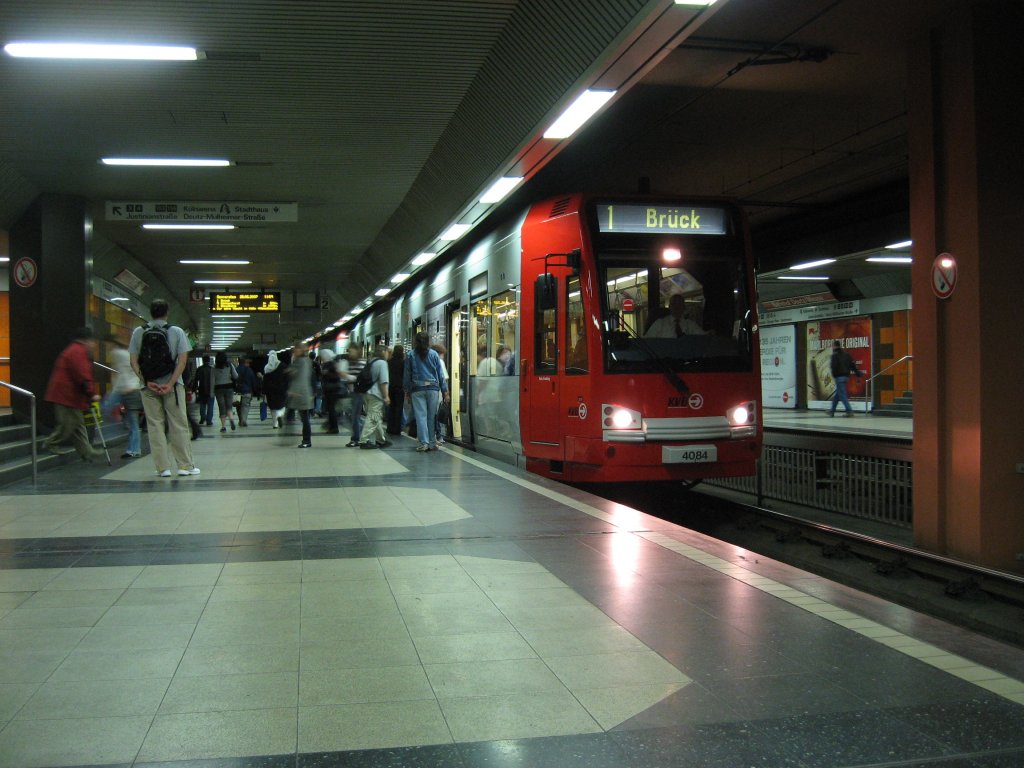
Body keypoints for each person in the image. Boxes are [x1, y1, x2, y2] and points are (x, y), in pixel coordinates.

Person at [129, 299, 200, 477]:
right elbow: (182, 361)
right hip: (173, 387)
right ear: (167, 313)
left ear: (150, 313)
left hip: (148, 387)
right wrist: (170, 383)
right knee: (178, 425)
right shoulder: (176, 331)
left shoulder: (139, 332)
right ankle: (185, 466)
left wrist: (146, 381)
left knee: (155, 426)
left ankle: (163, 468)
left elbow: (133, 361)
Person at [42, 326, 104, 461]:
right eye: (93, 341)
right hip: (66, 396)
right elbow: (82, 374)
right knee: (68, 425)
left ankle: (86, 452)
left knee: (77, 425)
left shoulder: (75, 350)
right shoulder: (78, 351)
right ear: (87, 340)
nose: (94, 344)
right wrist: (92, 393)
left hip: (69, 396)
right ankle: (50, 443)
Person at [404, 332, 449, 452]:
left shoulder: (410, 355)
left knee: (421, 417)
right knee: (431, 417)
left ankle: (423, 443)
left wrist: (407, 391)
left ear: (416, 342)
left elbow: (407, 375)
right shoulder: (434, 354)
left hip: (417, 389)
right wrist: (445, 391)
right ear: (428, 341)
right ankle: (432, 443)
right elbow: (440, 374)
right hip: (433, 389)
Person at [104, 341, 143, 458]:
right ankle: (134, 449)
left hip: (127, 390)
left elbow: (122, 374)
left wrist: (116, 391)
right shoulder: (129, 354)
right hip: (134, 389)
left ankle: (133, 449)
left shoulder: (117, 354)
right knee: (133, 423)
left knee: (105, 408)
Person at [358, 344, 391, 449]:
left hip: (367, 392)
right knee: (373, 417)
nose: (388, 354)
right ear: (383, 352)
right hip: (376, 394)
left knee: (376, 417)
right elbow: (383, 382)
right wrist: (386, 396)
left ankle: (381, 440)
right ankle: (364, 440)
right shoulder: (382, 363)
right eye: (387, 352)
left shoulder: (371, 361)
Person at [287, 341, 314, 448]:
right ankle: (306, 440)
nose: (295, 351)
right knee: (304, 418)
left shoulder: (302, 362)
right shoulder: (301, 361)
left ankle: (306, 440)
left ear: (301, 350)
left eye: (297, 349)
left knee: (305, 419)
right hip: (301, 393)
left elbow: (301, 378)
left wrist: (294, 390)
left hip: (302, 394)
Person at [829, 341, 863, 417]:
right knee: (838, 394)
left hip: (839, 377)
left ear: (835, 346)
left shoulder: (835, 355)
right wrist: (857, 373)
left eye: (833, 346)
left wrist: (834, 375)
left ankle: (849, 411)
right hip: (846, 377)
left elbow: (833, 367)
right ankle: (832, 411)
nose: (832, 347)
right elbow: (852, 365)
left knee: (842, 395)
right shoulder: (846, 354)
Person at [344, 345, 367, 447]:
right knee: (353, 415)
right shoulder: (350, 363)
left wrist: (347, 376)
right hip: (352, 392)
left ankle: (356, 438)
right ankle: (359, 433)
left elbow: (360, 378)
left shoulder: (362, 362)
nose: (350, 354)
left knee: (354, 415)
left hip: (359, 392)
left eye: (351, 351)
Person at [319, 348, 345, 435]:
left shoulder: (330, 364)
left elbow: (336, 376)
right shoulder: (328, 364)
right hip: (329, 390)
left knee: (331, 409)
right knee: (331, 409)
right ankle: (332, 426)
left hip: (332, 390)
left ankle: (334, 427)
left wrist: (326, 373)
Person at [212, 351, 238, 433]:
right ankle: (231, 419)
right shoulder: (230, 365)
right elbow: (236, 376)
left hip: (218, 388)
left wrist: (212, 392)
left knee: (222, 407)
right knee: (229, 406)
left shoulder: (214, 368)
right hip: (229, 387)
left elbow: (212, 381)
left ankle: (223, 427)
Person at [262, 350, 289, 428]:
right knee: (282, 405)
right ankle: (280, 415)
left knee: (273, 407)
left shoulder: (267, 368)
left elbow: (265, 381)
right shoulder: (283, 365)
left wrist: (263, 391)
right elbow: (287, 378)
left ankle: (275, 424)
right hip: (281, 389)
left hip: (270, 391)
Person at [431, 343, 451, 444]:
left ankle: (433, 436)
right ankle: (438, 436)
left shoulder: (427, 360)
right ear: (439, 353)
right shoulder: (439, 361)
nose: (443, 356)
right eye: (442, 354)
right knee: (436, 415)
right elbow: (443, 379)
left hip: (429, 391)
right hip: (437, 392)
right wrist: (446, 393)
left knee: (431, 415)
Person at [386, 344, 406, 436]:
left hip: (390, 387)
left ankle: (390, 428)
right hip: (400, 388)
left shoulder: (389, 362)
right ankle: (397, 429)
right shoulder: (403, 362)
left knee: (391, 408)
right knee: (399, 409)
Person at [234, 357, 257, 426]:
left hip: (238, 392)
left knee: (238, 406)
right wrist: (255, 391)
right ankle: (244, 420)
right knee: (245, 406)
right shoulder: (249, 370)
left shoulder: (235, 370)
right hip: (247, 391)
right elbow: (253, 381)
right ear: (244, 362)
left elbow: (233, 380)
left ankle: (240, 420)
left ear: (238, 362)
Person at [196, 355, 214, 426]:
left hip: (202, 390)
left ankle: (202, 418)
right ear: (209, 360)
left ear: (203, 360)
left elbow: (196, 380)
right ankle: (209, 421)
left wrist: (194, 389)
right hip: (211, 390)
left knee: (202, 405)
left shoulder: (199, 369)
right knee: (210, 406)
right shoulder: (212, 369)